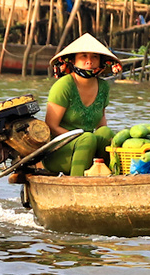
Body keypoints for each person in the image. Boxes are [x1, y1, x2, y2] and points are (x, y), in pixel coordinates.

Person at [42, 34, 124, 176]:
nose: (89, 62)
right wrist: (82, 139)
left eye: (94, 57)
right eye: (83, 56)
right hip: (59, 151)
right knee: (88, 138)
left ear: (101, 62)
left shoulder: (103, 87)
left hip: (87, 146)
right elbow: (51, 127)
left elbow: (101, 125)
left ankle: (108, 177)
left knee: (106, 133)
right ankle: (76, 183)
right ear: (73, 61)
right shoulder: (64, 85)